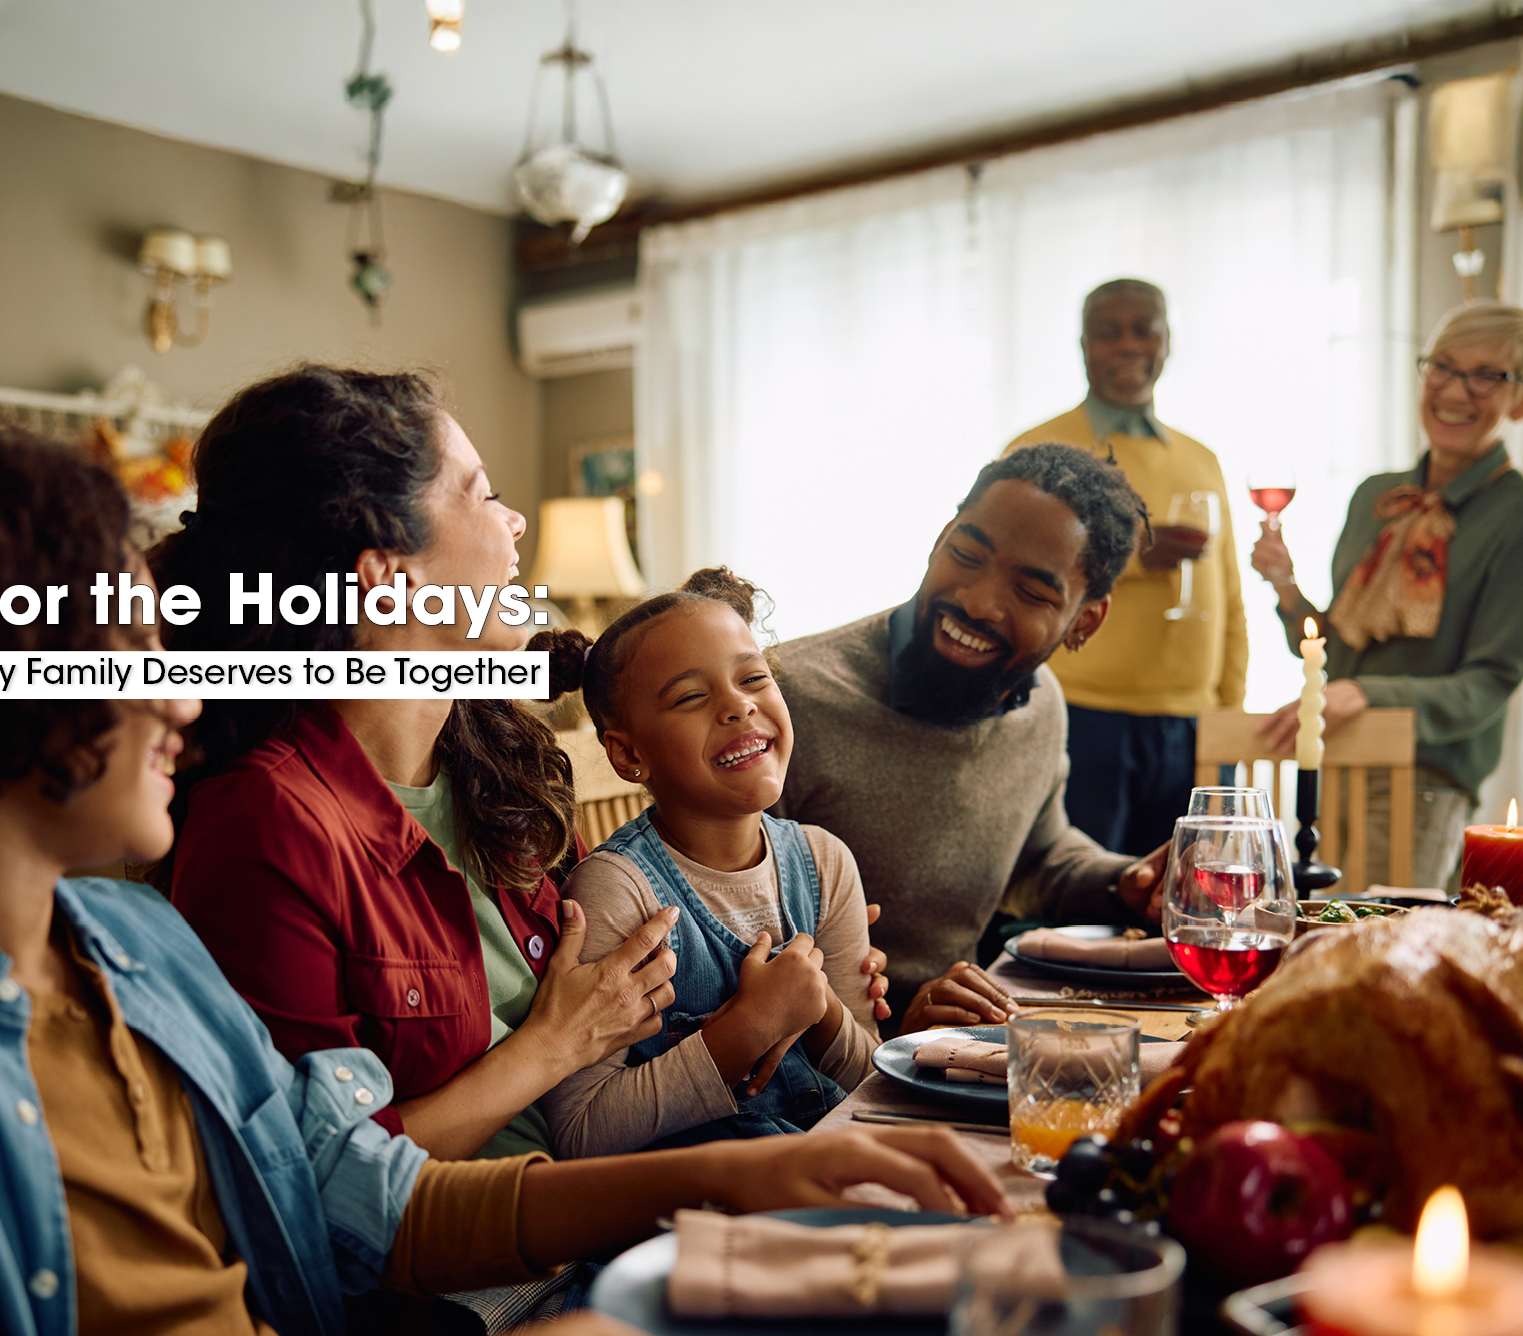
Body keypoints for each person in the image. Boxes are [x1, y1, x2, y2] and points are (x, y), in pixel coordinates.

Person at [0, 415, 1009, 1336]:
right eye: (132, 652)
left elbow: (370, 1201)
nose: (183, 691)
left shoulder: (131, 949)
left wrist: (735, 1173)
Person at [156, 367, 887, 1165]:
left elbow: (622, 979)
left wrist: (795, 974)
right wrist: (554, 1046)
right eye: (480, 494)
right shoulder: (263, 825)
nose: (513, 523)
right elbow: (315, 1186)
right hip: (491, 1280)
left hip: (607, 1204)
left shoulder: (495, 758)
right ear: (388, 575)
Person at [778, 443, 1169, 1037]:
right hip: (820, 1067)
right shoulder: (785, 698)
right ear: (940, 538)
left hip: (953, 1041)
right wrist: (884, 1027)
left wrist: (1128, 883)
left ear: (1084, 622)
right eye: (966, 554)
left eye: (1033, 593)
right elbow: (723, 945)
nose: (978, 601)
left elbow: (1037, 858)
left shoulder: (1041, 705)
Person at [537, 569, 880, 1158]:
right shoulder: (619, 893)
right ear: (627, 753)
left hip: (828, 1183)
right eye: (692, 697)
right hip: (681, 1220)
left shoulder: (827, 863)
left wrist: (818, 1007)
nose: (738, 706)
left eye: (753, 678)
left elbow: (871, 1083)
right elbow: (579, 1133)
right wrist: (744, 1031)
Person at [1251, 301, 1523, 891]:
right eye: (1443, 367)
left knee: (1372, 958)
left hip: (1423, 783)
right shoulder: (1375, 496)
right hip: (1332, 769)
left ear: (1518, 400)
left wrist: (1364, 694)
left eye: (1487, 375)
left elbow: (1489, 686)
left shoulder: (1515, 513)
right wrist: (1286, 586)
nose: (1456, 390)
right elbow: (1334, 659)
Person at [1006, 278, 1247, 856]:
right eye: (1108, 333)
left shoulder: (1201, 458)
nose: (1127, 346)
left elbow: (1231, 595)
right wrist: (1133, 556)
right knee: (1078, 906)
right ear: (1083, 345)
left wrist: (1227, 714)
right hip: (1079, 716)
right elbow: (1012, 575)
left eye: (1145, 330)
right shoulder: (1038, 449)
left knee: (1193, 903)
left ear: (1168, 341)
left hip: (1194, 725)